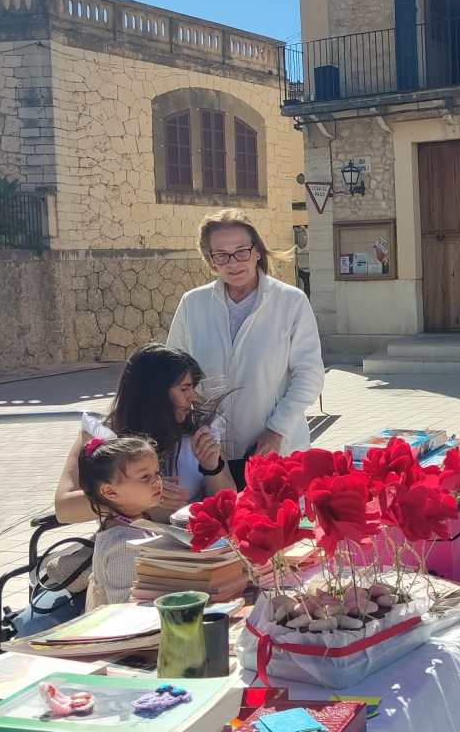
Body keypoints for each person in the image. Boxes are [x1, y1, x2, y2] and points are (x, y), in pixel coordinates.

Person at [167, 208, 325, 487]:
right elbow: (173, 375)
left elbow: (309, 376)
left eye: (241, 251)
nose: (234, 262)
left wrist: (276, 430)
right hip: (211, 458)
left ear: (257, 251)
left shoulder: (290, 302)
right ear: (211, 260)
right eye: (221, 255)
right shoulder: (193, 304)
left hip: (277, 450)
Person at [55, 343, 235, 525]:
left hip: (192, 546)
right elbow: (64, 509)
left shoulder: (200, 434)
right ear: (154, 393)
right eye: (184, 389)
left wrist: (212, 468)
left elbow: (230, 505)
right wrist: (135, 497)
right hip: (128, 546)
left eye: (192, 388)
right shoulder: (102, 436)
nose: (193, 397)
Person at [77, 436, 164, 607]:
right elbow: (124, 610)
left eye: (157, 472)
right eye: (145, 477)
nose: (157, 481)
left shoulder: (130, 525)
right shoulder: (124, 544)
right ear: (110, 492)